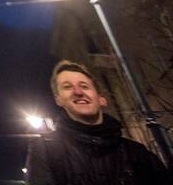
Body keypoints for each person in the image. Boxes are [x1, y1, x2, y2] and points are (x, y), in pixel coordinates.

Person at [25, 59, 171, 185]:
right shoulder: (45, 151)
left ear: (101, 98)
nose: (78, 92)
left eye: (84, 86)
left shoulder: (136, 152)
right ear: (58, 99)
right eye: (67, 87)